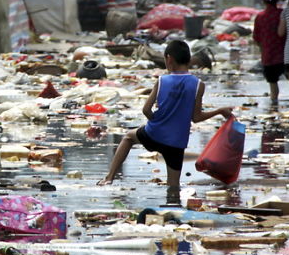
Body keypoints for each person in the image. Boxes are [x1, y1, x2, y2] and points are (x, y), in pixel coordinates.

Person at [97, 39, 233, 204]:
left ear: (169, 59)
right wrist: (219, 111)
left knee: (128, 138)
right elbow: (196, 118)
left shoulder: (162, 81)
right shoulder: (198, 85)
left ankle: (109, 178)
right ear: (188, 59)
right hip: (176, 142)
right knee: (173, 186)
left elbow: (146, 110)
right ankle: (172, 212)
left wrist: (157, 122)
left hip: (154, 133)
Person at [252, 0, 286, 105]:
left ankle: (274, 105)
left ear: (263, 0)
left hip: (268, 56)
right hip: (284, 55)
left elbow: (256, 37)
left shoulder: (260, 17)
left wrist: (263, 49)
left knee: (272, 83)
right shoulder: (282, 14)